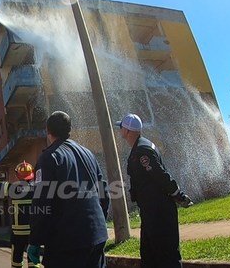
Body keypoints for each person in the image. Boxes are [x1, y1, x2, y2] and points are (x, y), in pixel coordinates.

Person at [30, 111, 110, 268]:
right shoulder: (88, 154)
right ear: (69, 129)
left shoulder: (48, 158)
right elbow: (104, 191)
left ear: (48, 131)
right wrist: (98, 221)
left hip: (67, 243)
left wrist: (35, 240)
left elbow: (41, 203)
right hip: (97, 235)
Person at [115, 113, 193, 268]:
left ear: (128, 131)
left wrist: (179, 195)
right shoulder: (140, 147)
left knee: (166, 255)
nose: (120, 130)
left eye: (121, 127)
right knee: (150, 255)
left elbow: (160, 175)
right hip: (151, 210)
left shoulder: (142, 150)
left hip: (159, 210)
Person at [0, 162, 41, 268]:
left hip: (18, 232)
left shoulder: (13, 188)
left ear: (17, 175)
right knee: (34, 261)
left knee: (17, 259)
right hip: (34, 231)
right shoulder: (39, 188)